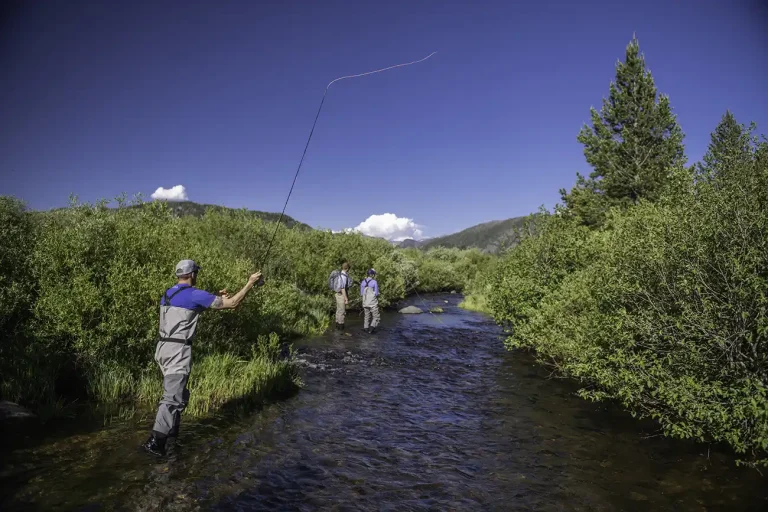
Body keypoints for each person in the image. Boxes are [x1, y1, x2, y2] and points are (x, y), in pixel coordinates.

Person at [143, 259, 263, 456]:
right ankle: (156, 442)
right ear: (192, 274)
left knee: (179, 394)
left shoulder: (168, 293)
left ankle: (172, 436)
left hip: (162, 348)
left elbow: (191, 304)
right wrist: (250, 282)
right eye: (196, 273)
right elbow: (233, 304)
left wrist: (215, 296)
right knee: (172, 398)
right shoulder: (195, 295)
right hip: (177, 351)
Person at [360, 268, 380, 334]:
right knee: (376, 317)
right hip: (372, 303)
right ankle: (371, 329)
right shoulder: (374, 282)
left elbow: (361, 293)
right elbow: (376, 294)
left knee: (367, 316)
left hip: (365, 302)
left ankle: (366, 328)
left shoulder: (363, 282)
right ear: (372, 275)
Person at [334, 261, 352, 330]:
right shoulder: (343, 276)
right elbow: (343, 288)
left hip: (337, 294)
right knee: (342, 312)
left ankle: (337, 326)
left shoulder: (339, 274)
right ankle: (341, 328)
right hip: (341, 295)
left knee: (338, 311)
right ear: (347, 269)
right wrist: (346, 299)